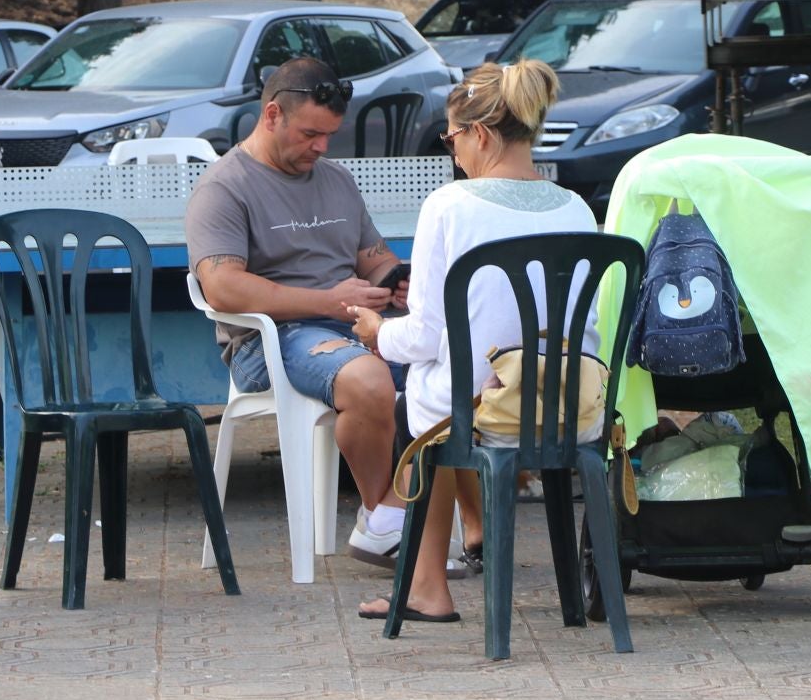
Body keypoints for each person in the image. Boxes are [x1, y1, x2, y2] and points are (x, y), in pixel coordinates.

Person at [347, 59, 597, 624]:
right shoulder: (577, 207)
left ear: (480, 134)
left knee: (421, 408)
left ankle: (428, 588)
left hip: (486, 408)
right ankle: (463, 555)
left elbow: (425, 336)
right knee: (442, 399)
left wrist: (376, 332)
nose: (453, 150)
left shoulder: (449, 206)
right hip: (567, 408)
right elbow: (590, 328)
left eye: (453, 136)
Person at [186, 56, 418, 566]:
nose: (321, 147)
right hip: (268, 340)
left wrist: (396, 282)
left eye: (329, 135)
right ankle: (386, 522)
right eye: (311, 133)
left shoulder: (336, 179)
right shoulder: (225, 186)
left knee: (460, 370)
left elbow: (373, 257)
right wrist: (327, 302)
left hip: (350, 324)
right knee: (370, 381)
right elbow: (223, 287)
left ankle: (424, 523)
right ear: (272, 115)